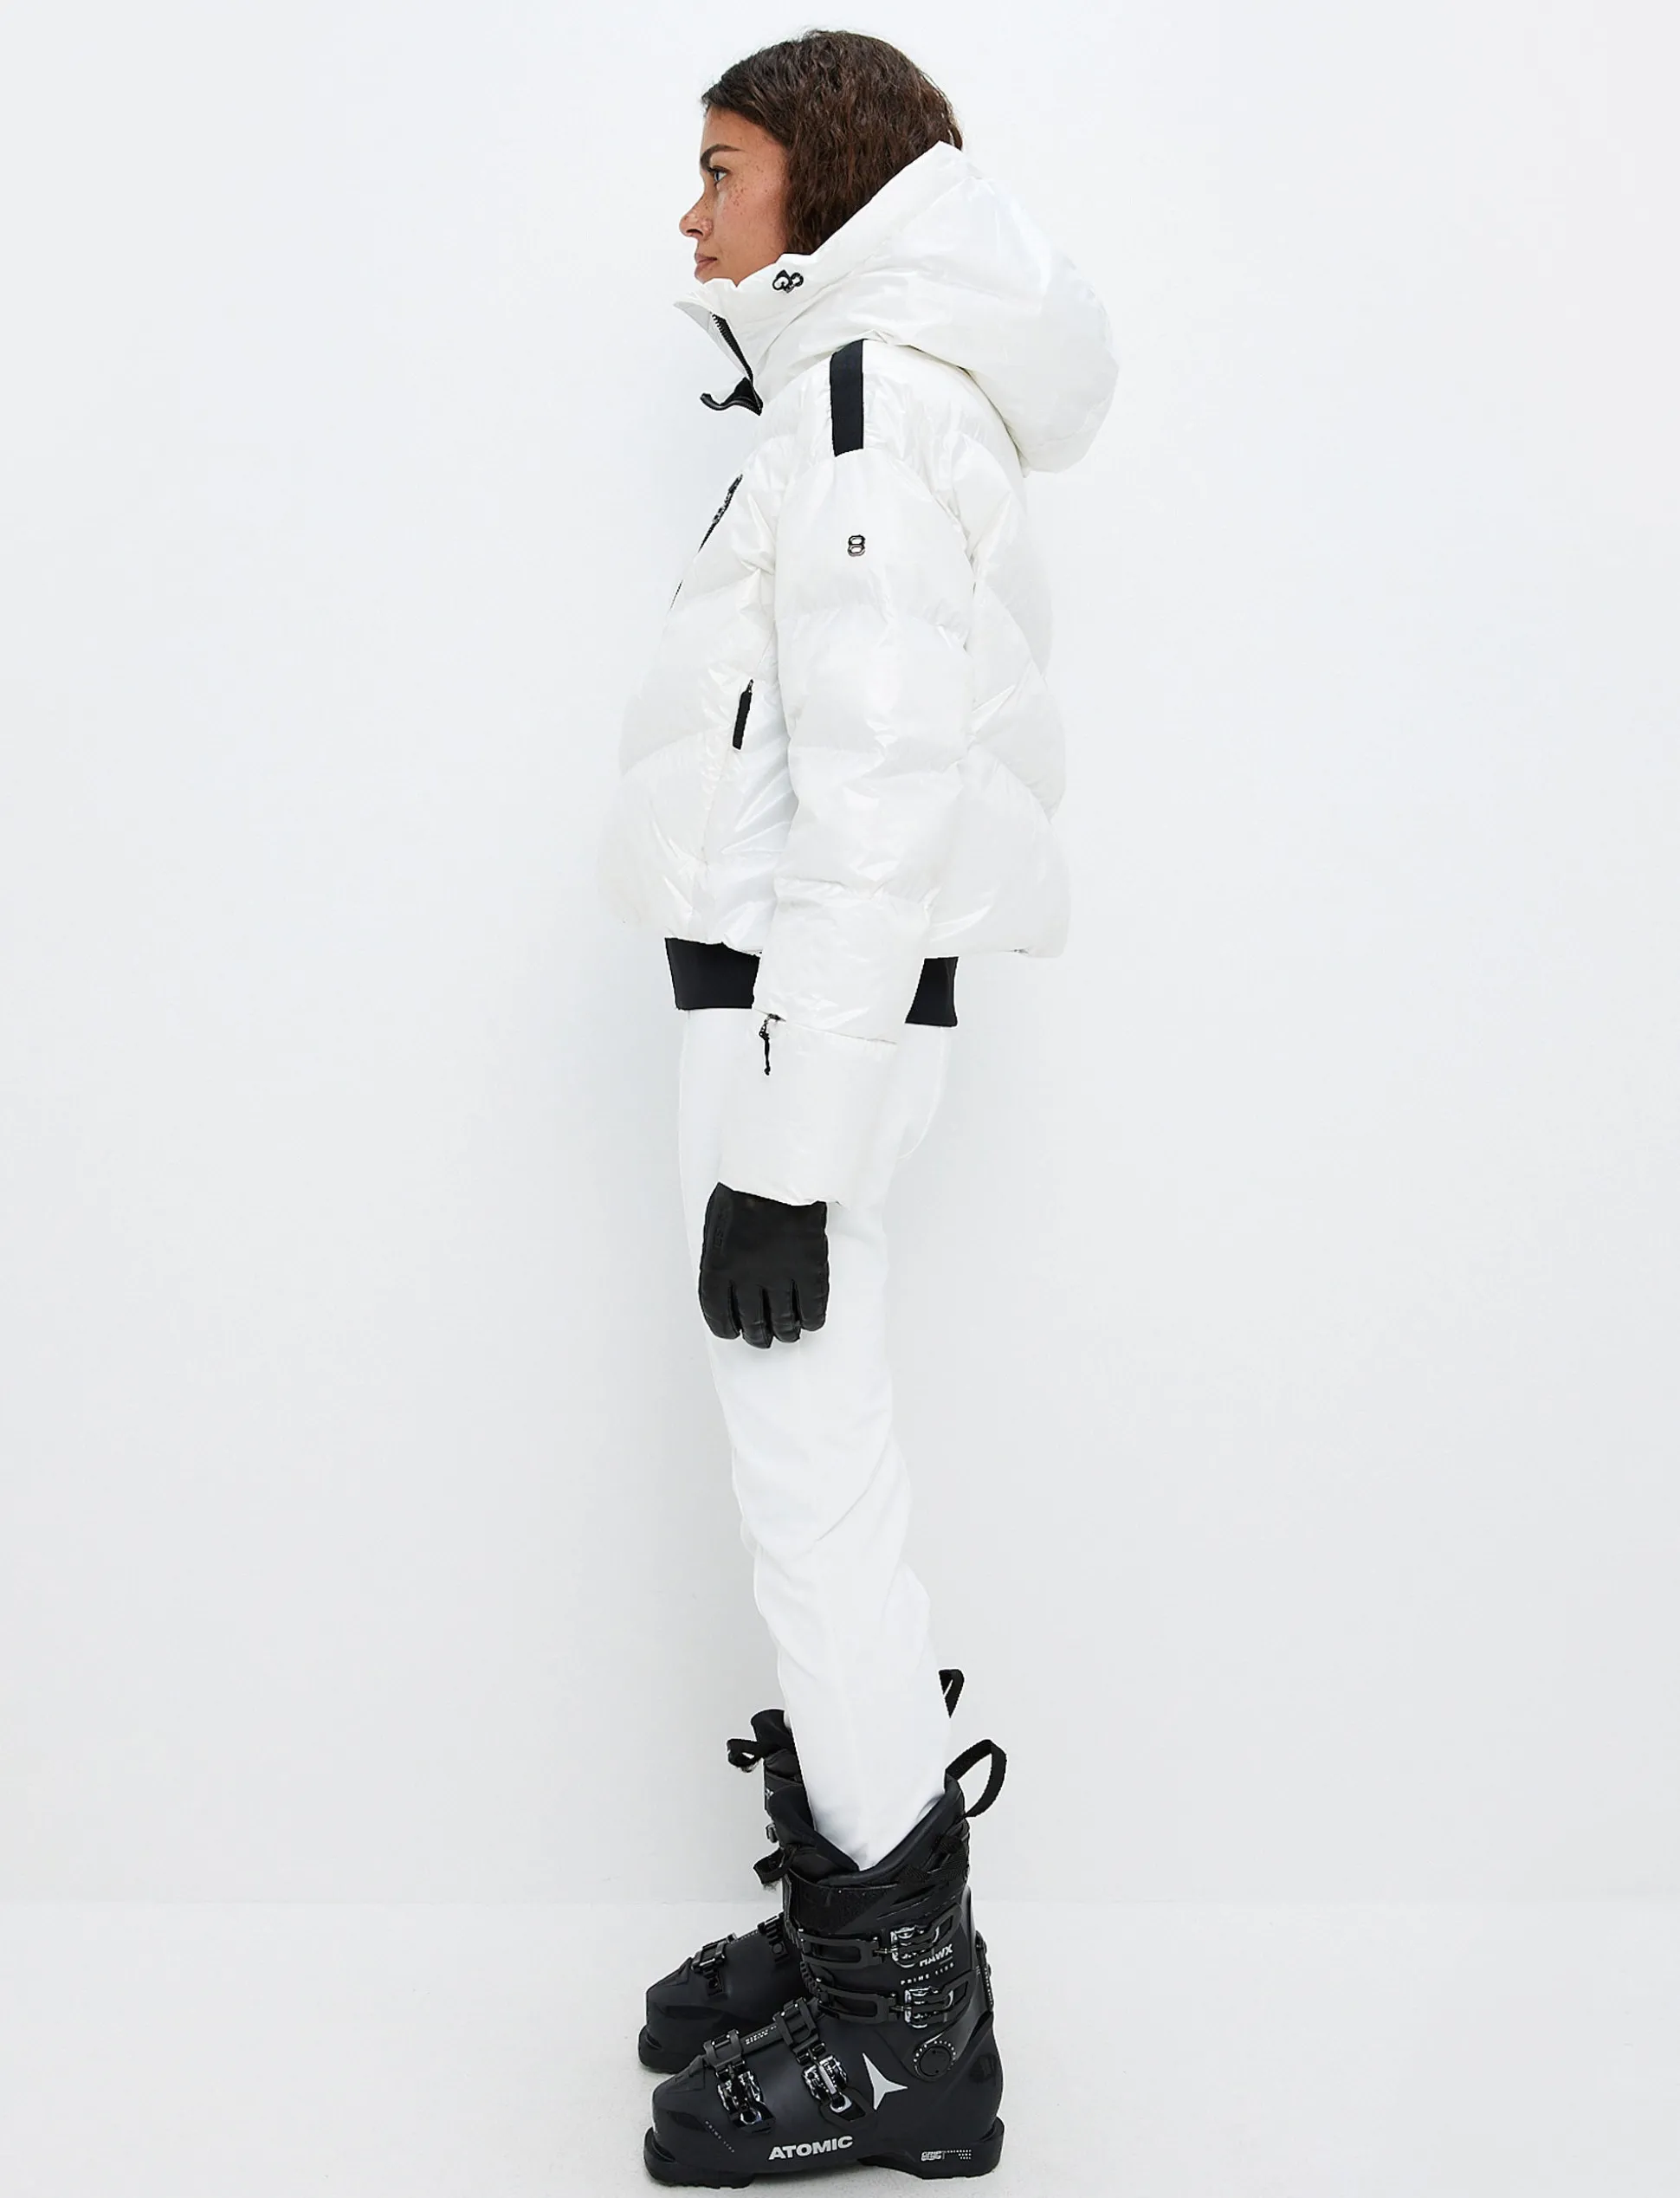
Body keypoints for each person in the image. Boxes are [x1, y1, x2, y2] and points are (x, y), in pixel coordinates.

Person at [595, 29, 1116, 2185]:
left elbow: (881, 789)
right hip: (806, 1018)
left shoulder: (865, 401)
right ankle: (857, 1931)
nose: (692, 211)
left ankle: (908, 2025)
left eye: (721, 166)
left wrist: (787, 1157)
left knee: (814, 1497)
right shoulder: (861, 383)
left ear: (822, 179)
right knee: (820, 1482)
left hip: (797, 1030)